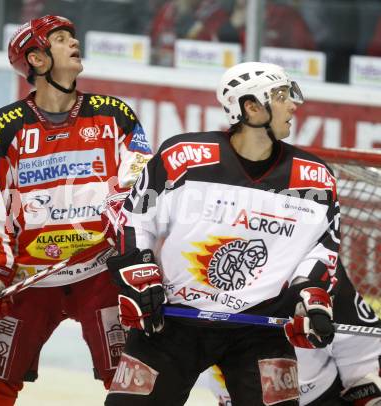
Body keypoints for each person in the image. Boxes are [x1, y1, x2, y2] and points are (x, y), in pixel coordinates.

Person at [104, 61, 341, 405]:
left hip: (260, 326)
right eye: (281, 96)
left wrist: (312, 297)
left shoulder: (315, 178)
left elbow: (322, 250)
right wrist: (141, 277)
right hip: (171, 320)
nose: (293, 105)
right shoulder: (182, 157)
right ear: (251, 107)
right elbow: (136, 220)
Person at [0, 15, 152, 405]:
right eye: (61, 39)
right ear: (38, 60)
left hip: (101, 271)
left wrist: (132, 246)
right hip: (28, 278)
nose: (73, 43)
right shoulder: (5, 127)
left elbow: (142, 188)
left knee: (135, 384)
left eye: (72, 37)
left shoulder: (114, 114)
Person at [205, 259, 381, 405]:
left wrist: (368, 393)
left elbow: (359, 348)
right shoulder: (202, 262)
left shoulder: (316, 263)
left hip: (321, 396)